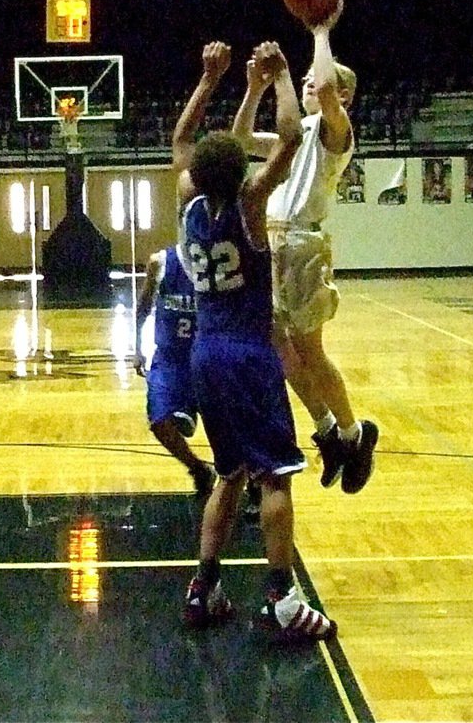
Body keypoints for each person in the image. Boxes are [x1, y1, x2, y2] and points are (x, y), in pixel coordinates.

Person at [174, 40, 336, 641]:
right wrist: (283, 77)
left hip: (205, 355)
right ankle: (281, 599)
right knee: (275, 477)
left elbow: (181, 139)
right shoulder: (249, 206)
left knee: (229, 474)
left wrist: (209, 80)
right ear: (241, 172)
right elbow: (290, 139)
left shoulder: (188, 205)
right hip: (248, 354)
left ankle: (203, 587)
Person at [231, 4, 378, 494]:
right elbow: (240, 138)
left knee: (311, 351)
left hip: (301, 244)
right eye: (307, 82)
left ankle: (356, 433)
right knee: (276, 346)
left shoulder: (336, 132)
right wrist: (254, 88)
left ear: (343, 96)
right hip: (272, 241)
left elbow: (327, 88)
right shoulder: (294, 136)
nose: (311, 85)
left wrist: (320, 31)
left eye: (318, 83)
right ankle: (327, 430)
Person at [134, 246, 216, 497]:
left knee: (227, 427)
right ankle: (198, 469)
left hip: (207, 358)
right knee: (159, 420)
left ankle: (251, 478)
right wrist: (137, 348)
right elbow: (143, 306)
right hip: (170, 359)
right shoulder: (160, 262)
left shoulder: (217, 264)